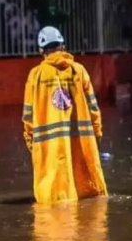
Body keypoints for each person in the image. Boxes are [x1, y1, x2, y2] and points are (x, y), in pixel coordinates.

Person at [22, 26, 108, 204]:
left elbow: (28, 118)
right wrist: (96, 137)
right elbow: (94, 110)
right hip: (83, 147)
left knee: (54, 204)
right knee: (90, 203)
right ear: (63, 46)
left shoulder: (35, 76)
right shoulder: (79, 71)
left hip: (49, 151)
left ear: (41, 51)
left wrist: (33, 145)